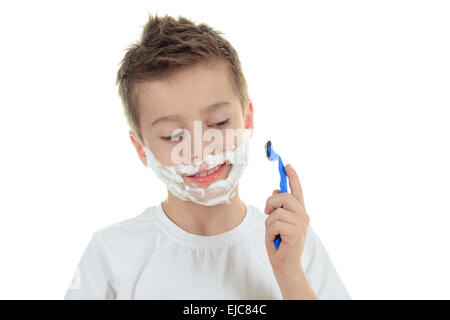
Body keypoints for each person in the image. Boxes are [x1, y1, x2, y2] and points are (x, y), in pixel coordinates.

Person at [64, 13, 350, 300]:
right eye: (173, 135)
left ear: (247, 118)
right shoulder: (112, 256)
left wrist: (289, 274)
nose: (200, 150)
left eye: (219, 123)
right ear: (142, 149)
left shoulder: (295, 244)